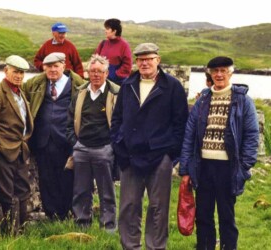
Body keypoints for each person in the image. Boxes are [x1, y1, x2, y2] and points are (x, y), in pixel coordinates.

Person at [110, 43, 189, 249]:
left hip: (159, 157)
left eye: (149, 59)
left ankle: (155, 246)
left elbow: (181, 124)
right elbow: (117, 119)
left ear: (158, 60)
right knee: (128, 206)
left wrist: (169, 155)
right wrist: (120, 148)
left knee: (158, 208)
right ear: (136, 62)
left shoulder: (172, 87)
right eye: (140, 59)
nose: (144, 63)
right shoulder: (128, 85)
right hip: (130, 156)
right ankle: (130, 246)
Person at [179, 56, 259, 250]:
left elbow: (251, 134)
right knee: (203, 216)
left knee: (226, 217)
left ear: (231, 72)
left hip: (228, 168)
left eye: (223, 70)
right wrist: (185, 169)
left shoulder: (243, 101)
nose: (219, 74)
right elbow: (190, 135)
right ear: (210, 74)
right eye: (215, 71)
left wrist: (244, 166)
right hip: (203, 167)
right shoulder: (202, 100)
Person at [22, 52, 85, 220]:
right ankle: (52, 214)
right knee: (46, 178)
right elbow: (20, 97)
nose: (52, 70)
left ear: (64, 66)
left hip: (67, 140)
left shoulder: (77, 84)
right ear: (43, 68)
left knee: (67, 178)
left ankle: (67, 213)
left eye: (56, 66)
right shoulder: (35, 83)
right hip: (43, 140)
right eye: (48, 67)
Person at [66, 54, 118, 232]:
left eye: (100, 71)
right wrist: (75, 143)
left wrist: (112, 146)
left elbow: (122, 123)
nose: (96, 75)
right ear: (87, 72)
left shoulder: (116, 93)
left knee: (107, 192)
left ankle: (108, 227)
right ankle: (82, 226)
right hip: (81, 148)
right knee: (80, 191)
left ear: (107, 73)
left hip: (104, 149)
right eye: (92, 71)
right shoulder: (80, 93)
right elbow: (69, 120)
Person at [0, 55, 34, 236]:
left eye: (22, 73)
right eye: (15, 72)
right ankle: (9, 232)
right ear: (6, 71)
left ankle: (21, 230)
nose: (19, 76)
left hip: (21, 151)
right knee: (6, 193)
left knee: (23, 189)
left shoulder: (20, 93)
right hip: (4, 152)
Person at [94, 18, 132, 85]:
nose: (105, 31)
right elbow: (95, 60)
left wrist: (115, 75)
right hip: (102, 82)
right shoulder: (103, 43)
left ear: (114, 31)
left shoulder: (124, 46)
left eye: (107, 29)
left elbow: (127, 65)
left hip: (118, 84)